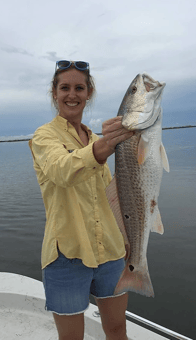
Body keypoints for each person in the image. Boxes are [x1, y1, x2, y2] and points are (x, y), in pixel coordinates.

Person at [28, 60, 134, 340]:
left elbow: (108, 198)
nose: (72, 94)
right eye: (65, 88)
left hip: (111, 251)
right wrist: (105, 146)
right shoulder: (44, 136)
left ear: (89, 93)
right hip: (66, 255)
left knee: (117, 329)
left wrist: (125, 237)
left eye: (79, 88)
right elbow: (61, 170)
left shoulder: (97, 138)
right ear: (55, 93)